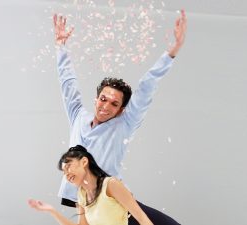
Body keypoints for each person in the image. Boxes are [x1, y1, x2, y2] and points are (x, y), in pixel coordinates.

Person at [53, 9, 186, 224]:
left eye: (114, 104)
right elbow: (68, 84)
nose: (106, 106)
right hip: (85, 199)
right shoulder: (78, 117)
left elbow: (145, 89)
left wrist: (170, 53)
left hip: (113, 201)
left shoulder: (123, 124)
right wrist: (61, 47)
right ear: (96, 99)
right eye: (103, 99)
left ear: (121, 110)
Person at [29, 145, 169, 225]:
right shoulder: (82, 196)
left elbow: (142, 218)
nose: (67, 174)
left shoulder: (111, 185)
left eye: (69, 166)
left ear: (84, 162)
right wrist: (52, 211)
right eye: (63, 172)